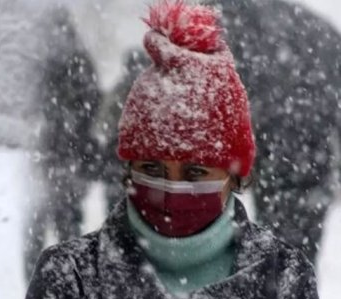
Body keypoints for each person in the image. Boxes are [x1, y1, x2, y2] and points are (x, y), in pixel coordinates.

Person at [7, 2, 327, 299]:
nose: (173, 190)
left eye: (195, 172)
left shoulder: (284, 278)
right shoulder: (69, 279)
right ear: (127, 170)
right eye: (153, 171)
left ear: (233, 176)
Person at [100, 0, 341, 264]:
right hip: (306, 167)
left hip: (269, 162)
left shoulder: (222, 20)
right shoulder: (316, 33)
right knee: (293, 259)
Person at [24, 6, 102, 281]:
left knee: (44, 220)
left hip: (57, 153)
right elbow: (93, 101)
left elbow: (35, 103)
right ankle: (70, 280)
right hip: (67, 154)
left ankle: (44, 284)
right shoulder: (76, 60)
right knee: (65, 221)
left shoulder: (50, 60)